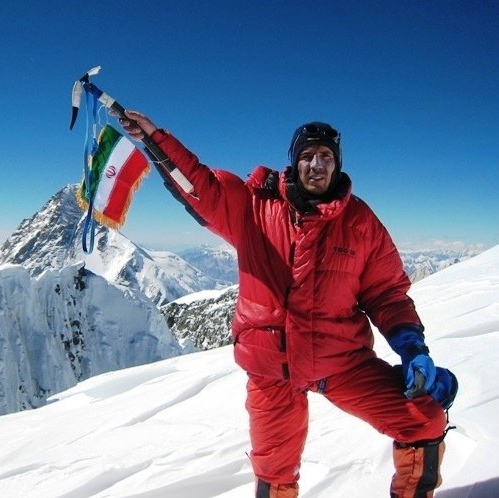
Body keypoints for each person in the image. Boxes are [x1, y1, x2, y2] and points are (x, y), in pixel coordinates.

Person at [118, 112, 457, 498]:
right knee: (275, 474)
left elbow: (387, 293)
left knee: (424, 419)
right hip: (271, 367)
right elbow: (200, 186)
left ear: (337, 165)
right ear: (294, 162)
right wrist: (156, 139)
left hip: (340, 361)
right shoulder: (254, 207)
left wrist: (412, 348)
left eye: (326, 156)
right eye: (308, 156)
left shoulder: (360, 222)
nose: (317, 164)